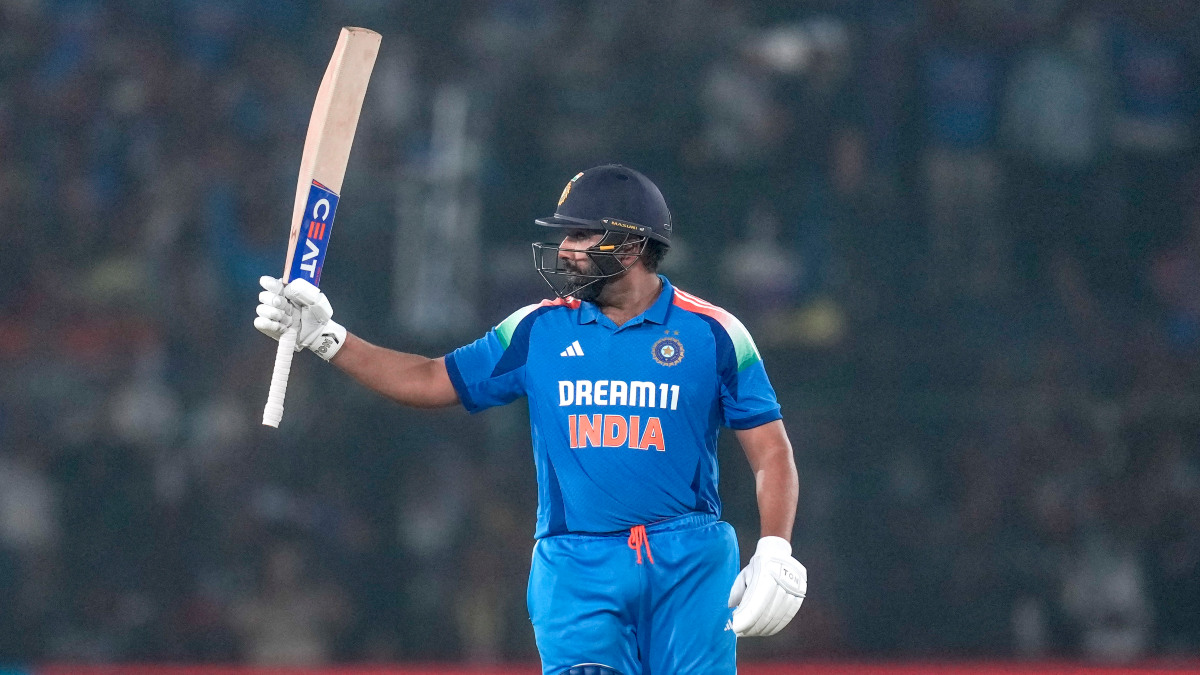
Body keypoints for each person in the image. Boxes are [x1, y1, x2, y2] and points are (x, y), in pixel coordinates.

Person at [253, 164, 806, 674]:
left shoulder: (715, 333)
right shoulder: (536, 330)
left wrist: (775, 546)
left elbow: (771, 452)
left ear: (634, 243)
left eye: (581, 235)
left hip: (689, 561)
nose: (564, 250)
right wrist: (328, 339)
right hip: (577, 563)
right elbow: (428, 378)